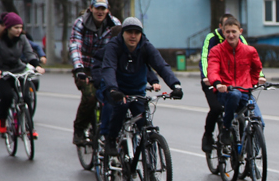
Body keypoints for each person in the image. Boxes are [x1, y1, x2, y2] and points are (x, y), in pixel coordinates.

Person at [101, 17, 183, 155]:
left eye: (137, 32)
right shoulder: (114, 46)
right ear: (123, 33)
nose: (133, 36)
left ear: (141, 34)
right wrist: (113, 89)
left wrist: (175, 85)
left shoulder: (146, 46)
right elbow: (109, 68)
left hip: (137, 90)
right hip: (117, 89)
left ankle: (149, 159)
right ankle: (111, 139)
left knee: (144, 125)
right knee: (120, 109)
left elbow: (161, 65)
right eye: (129, 32)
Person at [199, 13, 264, 152]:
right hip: (226, 92)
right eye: (227, 32)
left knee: (258, 121)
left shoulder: (249, 51)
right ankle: (226, 128)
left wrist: (252, 82)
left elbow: (256, 68)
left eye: (234, 32)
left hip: (245, 91)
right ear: (223, 32)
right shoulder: (216, 50)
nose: (231, 35)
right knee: (234, 95)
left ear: (240, 32)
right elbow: (212, 69)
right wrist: (217, 83)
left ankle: (251, 156)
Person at [69, 0, 122, 146]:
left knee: (114, 95)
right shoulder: (81, 23)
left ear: (107, 10)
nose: (100, 12)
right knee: (90, 96)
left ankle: (109, 131)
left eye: (103, 9)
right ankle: (79, 129)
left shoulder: (115, 24)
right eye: (97, 8)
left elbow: (119, 47)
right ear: (91, 9)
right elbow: (75, 45)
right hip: (85, 67)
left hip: (105, 67)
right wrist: (79, 68)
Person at [0, 12, 45, 137]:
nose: (19, 30)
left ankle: (30, 128)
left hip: (19, 70)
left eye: (20, 27)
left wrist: (37, 66)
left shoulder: (22, 39)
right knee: (7, 96)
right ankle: (2, 121)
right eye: (16, 28)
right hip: (4, 72)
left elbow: (29, 53)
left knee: (27, 97)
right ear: (8, 28)